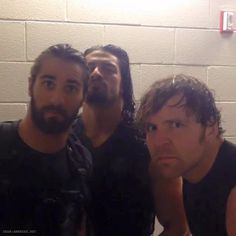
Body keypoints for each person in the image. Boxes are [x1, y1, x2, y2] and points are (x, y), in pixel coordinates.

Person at [72, 45, 189, 236]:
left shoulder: (150, 142)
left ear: (124, 83)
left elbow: (178, 227)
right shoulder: (62, 137)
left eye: (108, 69)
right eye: (89, 67)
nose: (95, 73)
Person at [0, 44, 92, 236]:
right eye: (48, 84)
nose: (57, 100)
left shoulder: (81, 162)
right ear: (30, 85)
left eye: (71, 88)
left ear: (83, 97)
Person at [136, 74, 236, 236]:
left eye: (176, 125)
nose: (160, 142)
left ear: (210, 127)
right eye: (152, 128)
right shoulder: (191, 169)